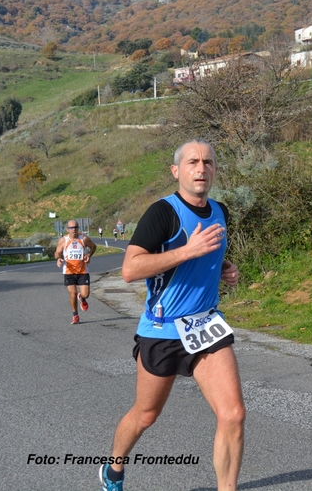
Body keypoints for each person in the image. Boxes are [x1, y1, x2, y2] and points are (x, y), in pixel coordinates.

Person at [100, 139, 245, 491]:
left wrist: (222, 267)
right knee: (146, 415)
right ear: (176, 170)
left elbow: (206, 257)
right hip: (163, 330)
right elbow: (131, 270)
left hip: (205, 325)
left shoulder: (220, 211)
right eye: (193, 162)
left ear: (214, 170)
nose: (201, 168)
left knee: (233, 414)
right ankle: (113, 469)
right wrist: (187, 251)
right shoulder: (162, 213)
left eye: (208, 162)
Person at [55, 220, 97, 324]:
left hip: (83, 271)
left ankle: (82, 298)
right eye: (71, 228)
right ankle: (75, 315)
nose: (74, 229)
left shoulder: (84, 239)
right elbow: (57, 252)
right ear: (67, 229)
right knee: (72, 293)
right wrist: (58, 258)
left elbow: (93, 247)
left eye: (76, 227)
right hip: (69, 271)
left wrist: (89, 255)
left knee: (85, 294)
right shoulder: (63, 240)